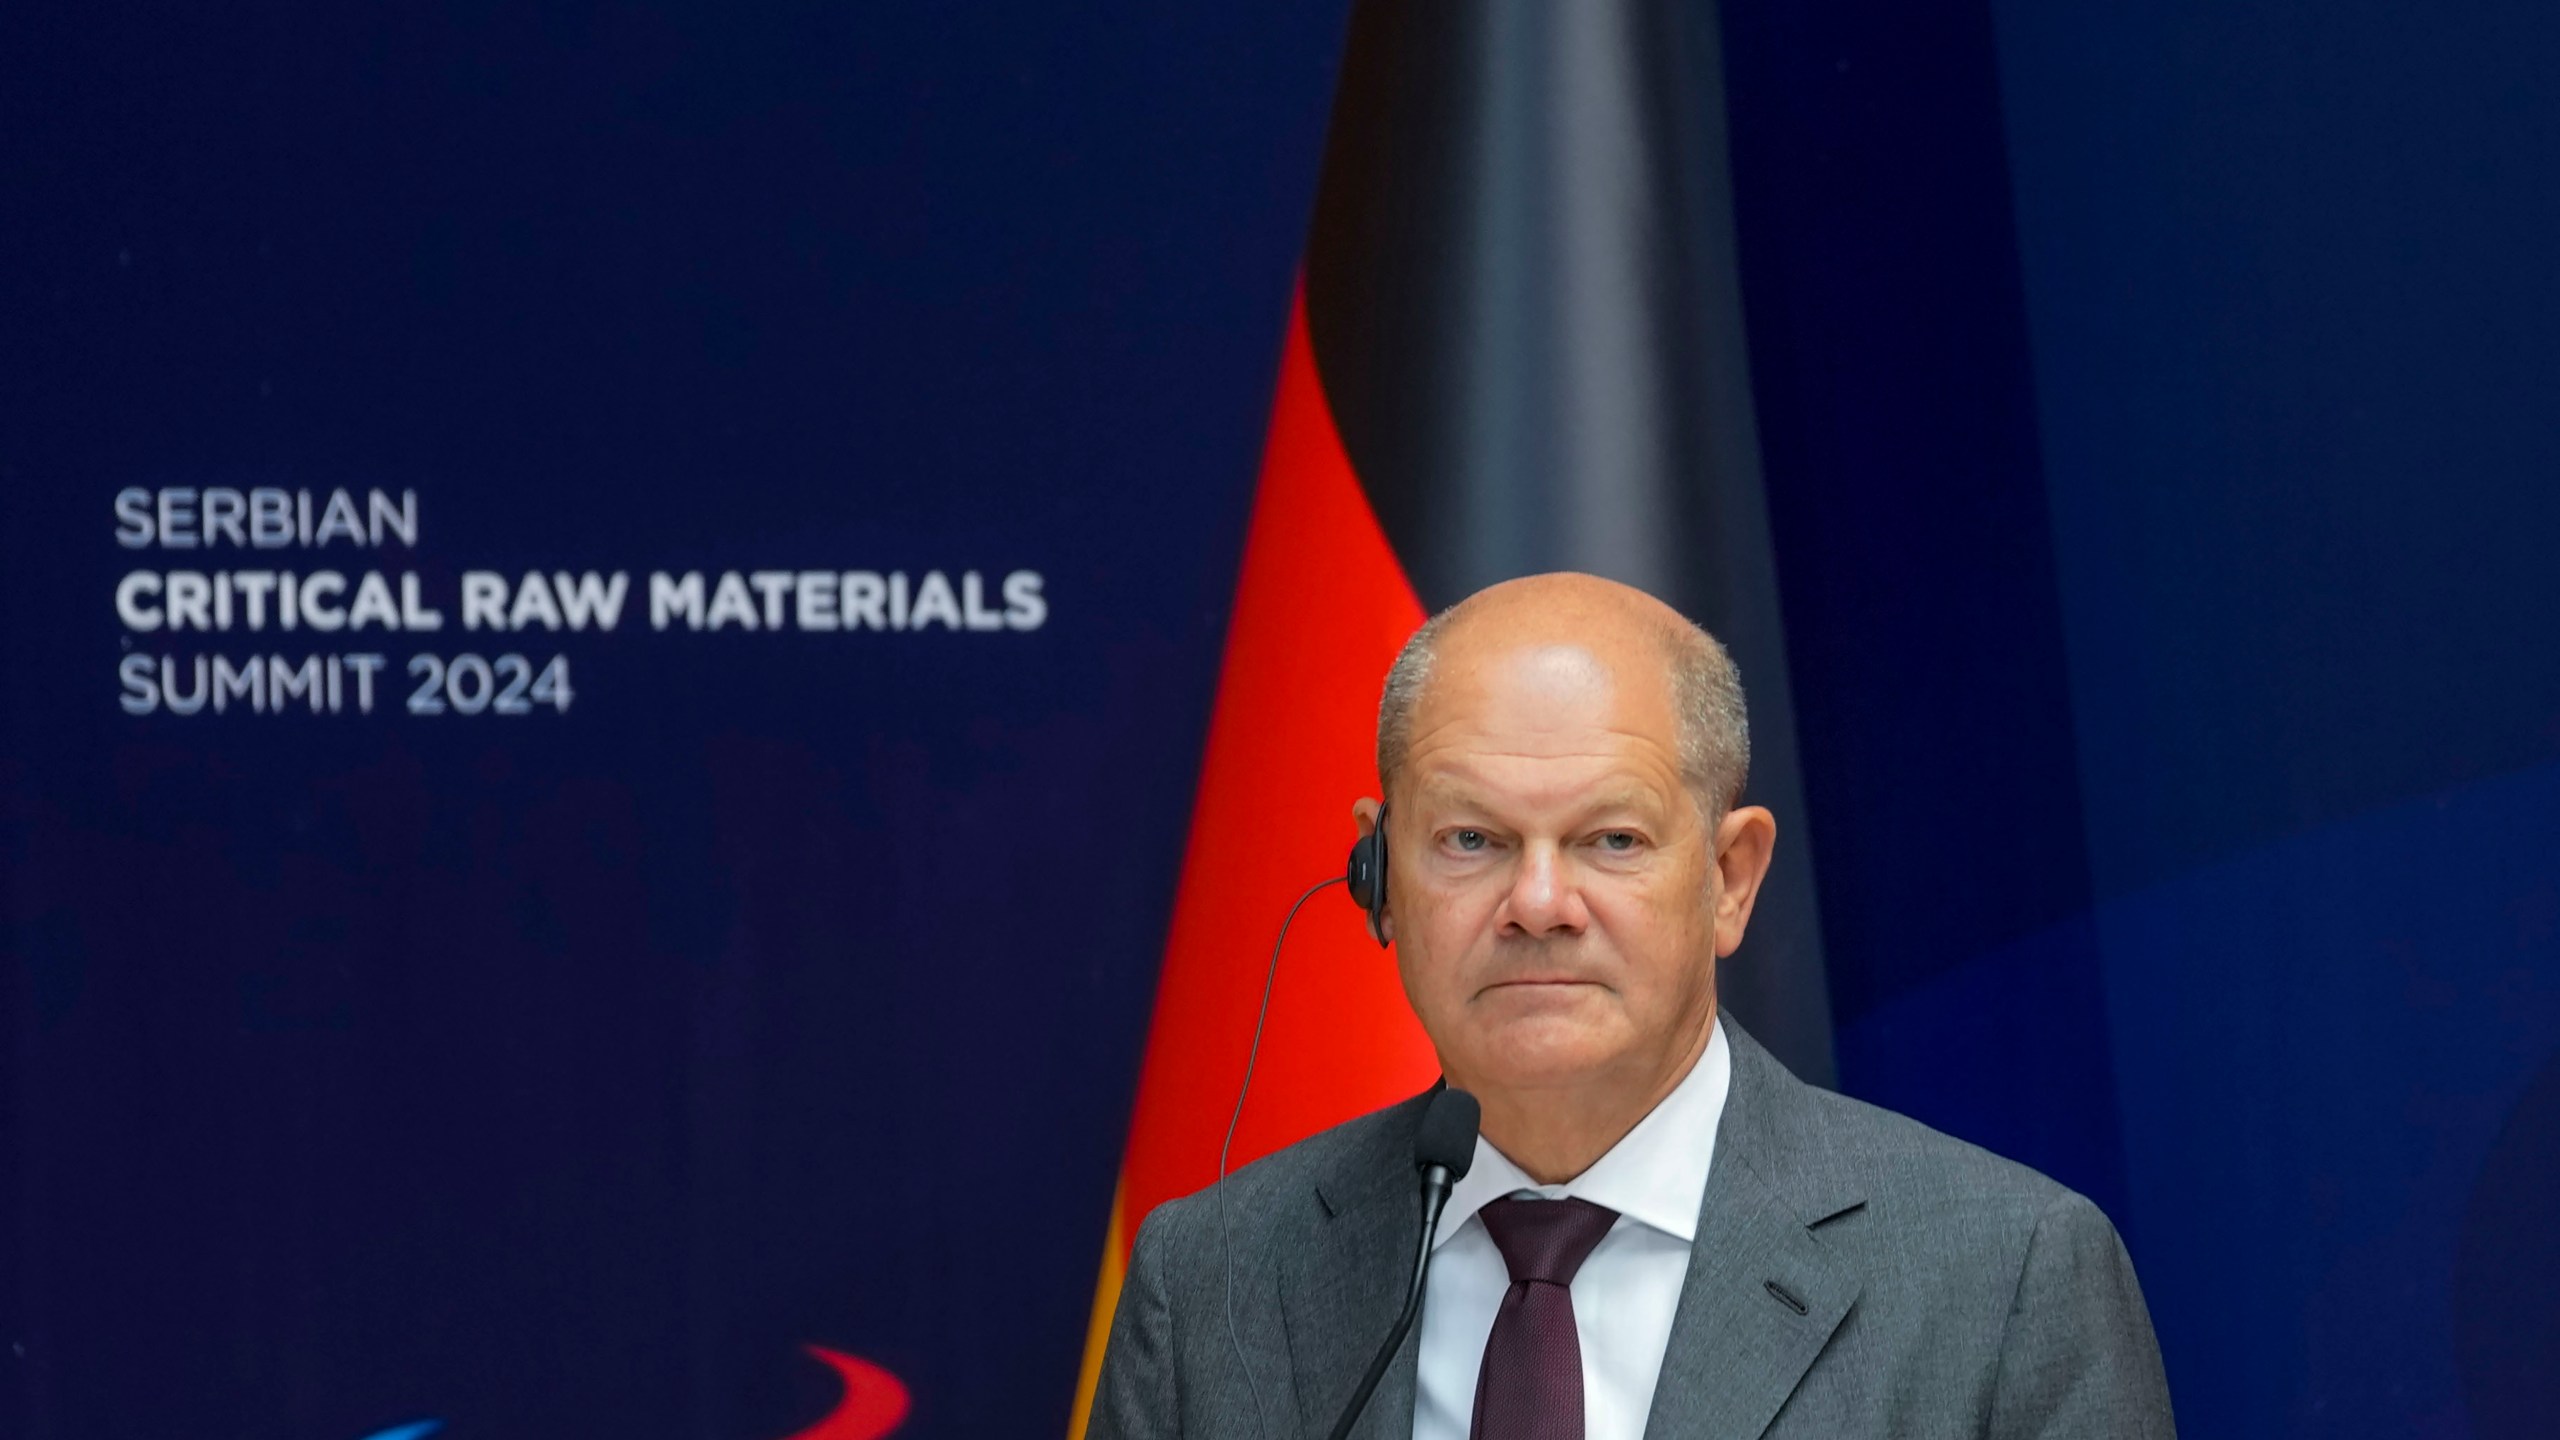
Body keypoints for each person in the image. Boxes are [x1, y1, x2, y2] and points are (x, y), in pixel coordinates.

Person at [1089, 573, 2174, 1439]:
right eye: (1471, 840)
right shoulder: (1213, 1279)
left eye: (1612, 839)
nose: (1539, 903)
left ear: (1730, 879)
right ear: (1379, 873)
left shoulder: (2004, 1277)